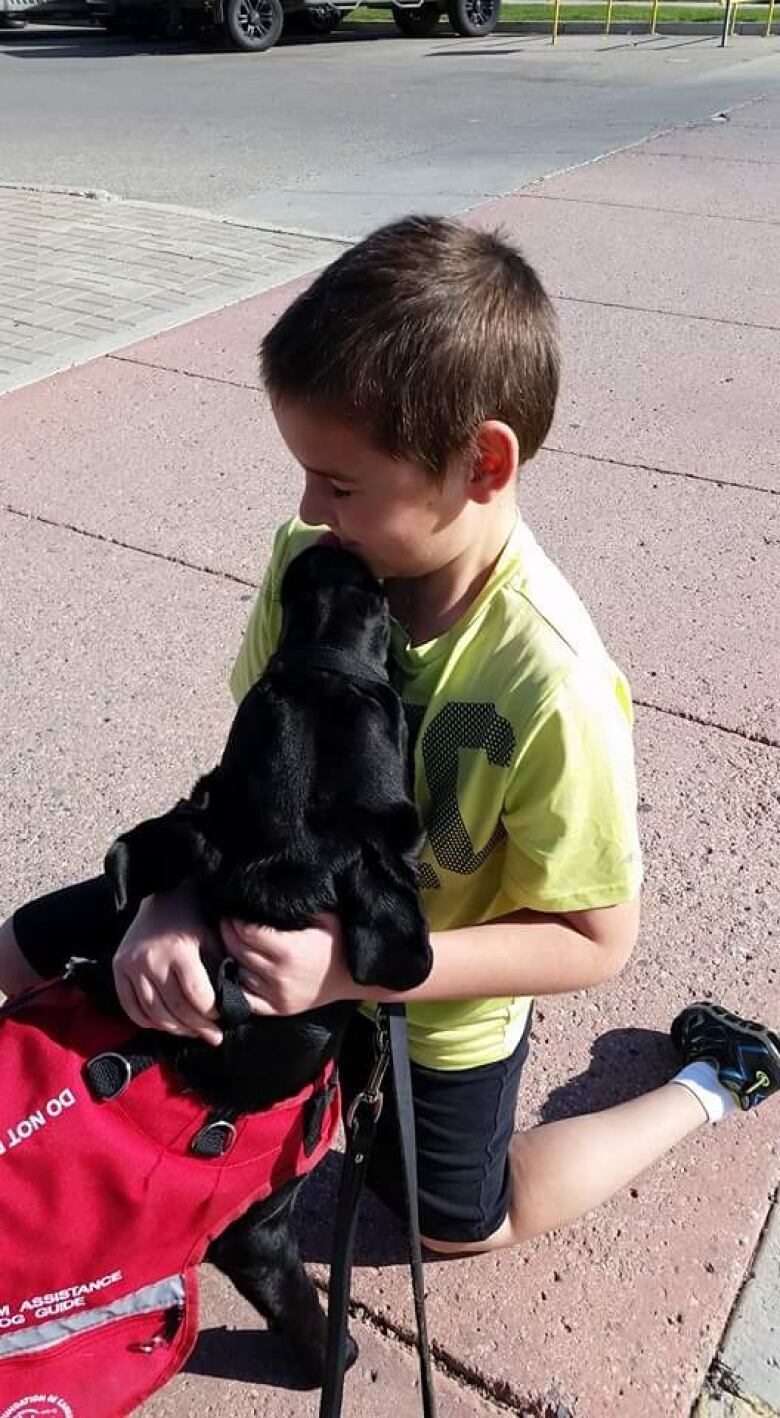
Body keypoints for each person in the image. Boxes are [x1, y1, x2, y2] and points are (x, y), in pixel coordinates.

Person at [2, 215, 778, 1257]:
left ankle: (712, 1083)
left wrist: (351, 975)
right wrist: (170, 896)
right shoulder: (314, 559)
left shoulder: (554, 683)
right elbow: (246, 772)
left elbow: (597, 939)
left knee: (459, 1225)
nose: (308, 510)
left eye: (339, 482)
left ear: (482, 464)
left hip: (428, 985)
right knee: (20, 952)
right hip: (264, 904)